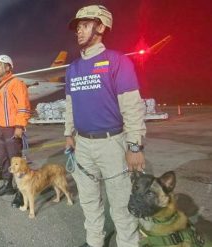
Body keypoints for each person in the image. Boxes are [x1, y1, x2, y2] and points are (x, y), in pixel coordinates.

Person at [65, 5, 146, 247]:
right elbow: (70, 105)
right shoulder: (73, 68)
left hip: (113, 145)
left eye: (85, 25)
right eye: (77, 27)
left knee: (121, 205)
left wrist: (134, 146)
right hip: (83, 145)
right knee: (89, 202)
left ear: (101, 27)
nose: (79, 31)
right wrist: (68, 134)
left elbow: (132, 106)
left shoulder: (117, 61)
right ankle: (95, 242)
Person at [0, 55, 31, 208]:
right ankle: (8, 185)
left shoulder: (16, 83)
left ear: (8, 67)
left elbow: (23, 107)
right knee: (4, 160)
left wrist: (19, 126)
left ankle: (22, 193)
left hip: (11, 129)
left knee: (17, 162)